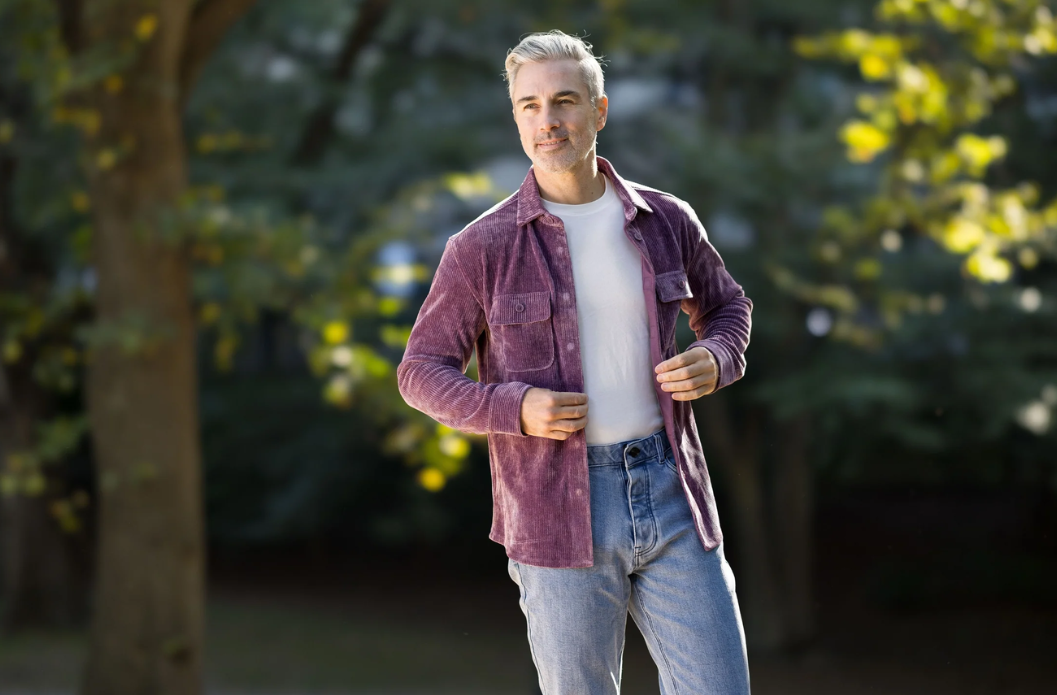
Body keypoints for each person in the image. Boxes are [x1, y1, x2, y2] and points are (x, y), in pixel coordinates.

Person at [396, 29, 752, 695]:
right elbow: (420, 371)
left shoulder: (665, 220)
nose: (547, 120)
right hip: (553, 510)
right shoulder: (480, 247)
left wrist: (716, 354)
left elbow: (728, 307)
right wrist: (515, 407)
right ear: (515, 118)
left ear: (599, 110)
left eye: (564, 100)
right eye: (528, 105)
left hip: (671, 489)